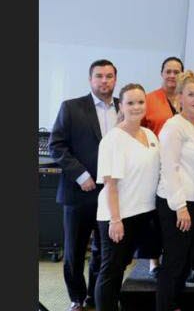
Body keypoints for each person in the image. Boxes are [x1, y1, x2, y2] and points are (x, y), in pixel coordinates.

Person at [49, 59, 119, 311]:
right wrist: (81, 175)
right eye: (99, 76)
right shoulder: (71, 107)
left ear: (115, 80)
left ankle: (94, 296)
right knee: (74, 253)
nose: (104, 81)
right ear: (90, 80)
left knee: (104, 251)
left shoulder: (123, 108)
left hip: (110, 194)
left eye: (109, 76)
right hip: (78, 193)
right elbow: (56, 145)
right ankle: (76, 299)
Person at [94, 84, 161, 311]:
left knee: (122, 267)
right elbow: (110, 183)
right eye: (130, 103)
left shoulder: (150, 135)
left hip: (142, 212)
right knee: (111, 270)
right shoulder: (113, 139)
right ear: (120, 106)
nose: (136, 107)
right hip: (118, 215)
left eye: (140, 102)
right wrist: (115, 220)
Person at [155, 71, 194, 311]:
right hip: (178, 204)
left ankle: (174, 304)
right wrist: (181, 208)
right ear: (179, 98)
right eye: (191, 94)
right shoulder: (173, 127)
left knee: (187, 261)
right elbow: (169, 169)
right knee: (175, 262)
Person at [140, 56, 185, 277]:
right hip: (155, 167)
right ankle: (153, 261)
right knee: (155, 216)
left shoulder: (188, 99)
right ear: (161, 73)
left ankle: (173, 258)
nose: (172, 75)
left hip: (182, 168)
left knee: (175, 215)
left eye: (177, 72)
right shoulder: (149, 100)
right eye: (168, 71)